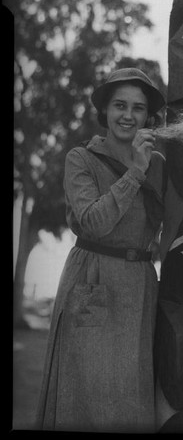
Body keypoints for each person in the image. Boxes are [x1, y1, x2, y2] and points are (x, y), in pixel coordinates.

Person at [36, 68, 166, 433]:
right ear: (105, 112)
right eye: (119, 106)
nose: (128, 115)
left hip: (140, 288)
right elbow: (93, 222)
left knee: (131, 399)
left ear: (147, 116)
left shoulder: (159, 165)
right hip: (93, 280)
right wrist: (134, 173)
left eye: (138, 108)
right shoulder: (81, 159)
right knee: (85, 398)